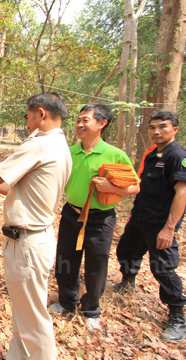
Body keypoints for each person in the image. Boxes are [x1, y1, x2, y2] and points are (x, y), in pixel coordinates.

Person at [0, 92, 72, 360]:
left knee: (33, 315)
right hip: (32, 237)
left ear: (41, 113)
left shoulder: (40, 145)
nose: (27, 121)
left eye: (28, 115)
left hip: (28, 241)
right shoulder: (60, 145)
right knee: (23, 309)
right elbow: (12, 187)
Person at [48, 104, 140, 331]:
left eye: (85, 120)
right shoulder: (69, 152)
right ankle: (67, 302)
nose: (79, 125)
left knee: (96, 264)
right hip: (72, 214)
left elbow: (134, 187)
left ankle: (91, 309)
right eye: (78, 120)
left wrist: (112, 187)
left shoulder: (115, 154)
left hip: (100, 219)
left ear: (102, 123)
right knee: (66, 259)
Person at [113, 110, 186, 342]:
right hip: (140, 218)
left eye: (162, 127)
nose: (156, 131)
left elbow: (182, 193)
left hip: (159, 224)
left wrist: (169, 228)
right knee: (126, 250)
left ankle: (177, 316)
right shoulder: (153, 154)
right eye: (152, 127)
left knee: (163, 269)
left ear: (174, 129)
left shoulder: (177, 155)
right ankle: (128, 281)